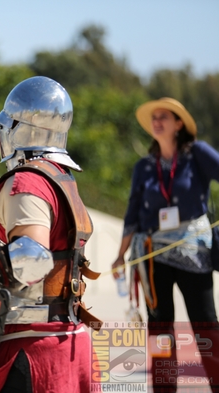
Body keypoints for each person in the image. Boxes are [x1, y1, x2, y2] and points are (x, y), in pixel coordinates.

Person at [0, 76, 101, 393]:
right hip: (65, 342)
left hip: (31, 346)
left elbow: (32, 257)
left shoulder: (27, 182)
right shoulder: (62, 179)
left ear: (20, 126)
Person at [111, 97, 219, 392]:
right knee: (159, 329)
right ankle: (163, 388)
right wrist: (120, 256)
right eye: (154, 117)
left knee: (206, 325)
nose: (157, 121)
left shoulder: (196, 153)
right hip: (151, 255)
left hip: (193, 253)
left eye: (164, 117)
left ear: (179, 124)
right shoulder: (144, 167)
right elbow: (132, 214)